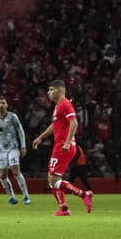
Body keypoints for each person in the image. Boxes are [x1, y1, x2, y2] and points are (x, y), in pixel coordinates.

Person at [32, 79, 93, 217]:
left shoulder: (65, 104)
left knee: (54, 180)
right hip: (60, 146)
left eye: (51, 90)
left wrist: (66, 142)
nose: (48, 93)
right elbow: (55, 125)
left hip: (63, 147)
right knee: (51, 178)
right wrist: (41, 137)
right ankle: (63, 208)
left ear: (60, 90)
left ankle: (83, 194)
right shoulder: (58, 106)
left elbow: (74, 123)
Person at [0, 97, 30, 205]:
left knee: (15, 171)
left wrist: (23, 146)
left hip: (13, 148)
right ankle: (12, 197)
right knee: (2, 175)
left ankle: (26, 196)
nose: (1, 105)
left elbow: (20, 130)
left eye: (3, 103)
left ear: (7, 105)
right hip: (0, 150)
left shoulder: (12, 117)